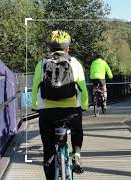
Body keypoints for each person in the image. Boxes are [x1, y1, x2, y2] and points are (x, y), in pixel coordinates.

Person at [32, 30, 88, 179]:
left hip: (47, 112)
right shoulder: (74, 63)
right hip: (71, 110)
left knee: (48, 149)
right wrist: (84, 105)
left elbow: (35, 88)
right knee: (77, 131)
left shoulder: (41, 63)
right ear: (67, 48)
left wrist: (35, 106)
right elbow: (83, 88)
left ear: (50, 47)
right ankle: (76, 155)